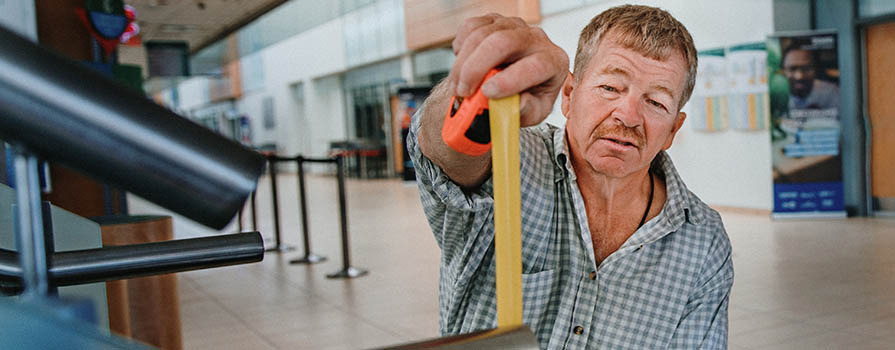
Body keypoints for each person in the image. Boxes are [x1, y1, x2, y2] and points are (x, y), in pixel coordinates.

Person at [408, 5, 733, 349]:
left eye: (655, 102)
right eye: (610, 87)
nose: (628, 115)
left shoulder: (703, 242)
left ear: (672, 130)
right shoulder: (511, 159)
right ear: (568, 95)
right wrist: (479, 89)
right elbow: (444, 150)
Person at [781, 46, 839, 110]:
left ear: (816, 70)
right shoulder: (775, 95)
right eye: (792, 69)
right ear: (782, 71)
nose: (799, 76)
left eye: (806, 69)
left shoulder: (831, 91)